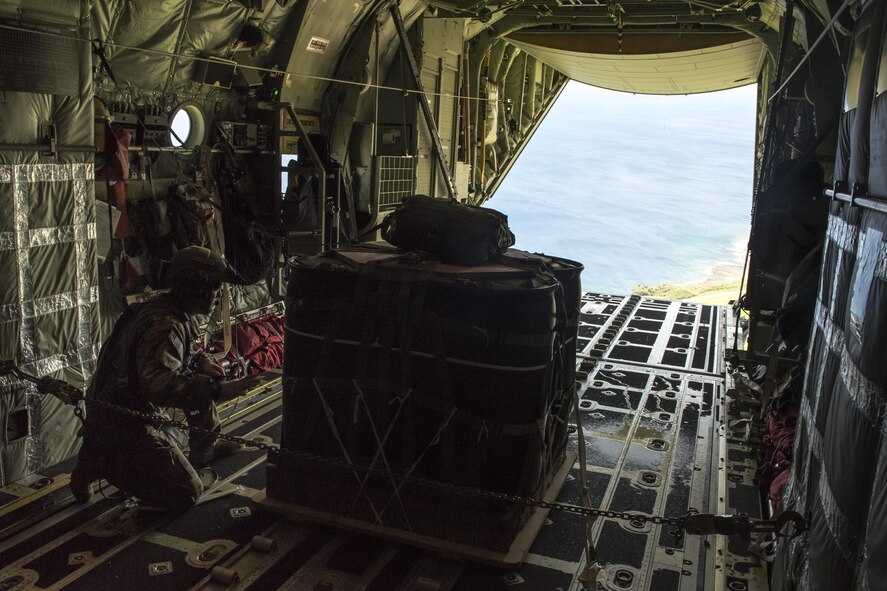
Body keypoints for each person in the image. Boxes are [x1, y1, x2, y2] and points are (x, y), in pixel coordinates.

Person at [69, 246, 260, 509]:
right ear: (196, 288)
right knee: (187, 492)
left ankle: (203, 449)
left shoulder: (166, 311)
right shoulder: (165, 324)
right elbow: (158, 386)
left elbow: (173, 355)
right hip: (126, 422)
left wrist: (202, 362)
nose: (218, 294)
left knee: (198, 384)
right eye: (215, 286)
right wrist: (219, 390)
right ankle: (102, 462)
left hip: (117, 410)